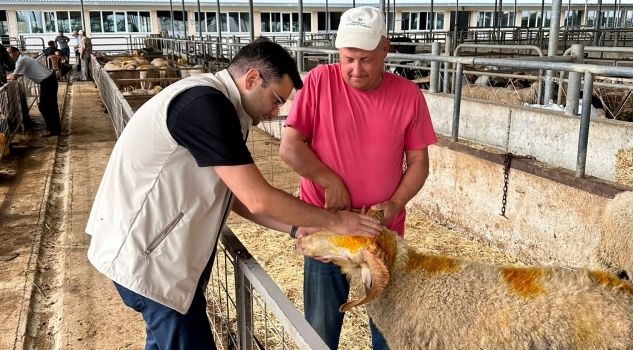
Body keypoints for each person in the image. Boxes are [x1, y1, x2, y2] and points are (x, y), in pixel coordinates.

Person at [85, 38, 381, 350]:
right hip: (151, 263)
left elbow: (235, 195)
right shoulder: (205, 105)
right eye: (277, 99)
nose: (275, 111)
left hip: (158, 258)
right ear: (253, 78)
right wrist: (337, 222)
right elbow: (258, 197)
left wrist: (297, 227)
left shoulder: (222, 107)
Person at [279, 7, 437, 350]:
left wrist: (394, 203)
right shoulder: (319, 81)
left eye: (366, 59)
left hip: (380, 230)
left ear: (385, 48)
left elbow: (420, 162)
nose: (355, 69)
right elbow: (289, 147)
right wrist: (328, 180)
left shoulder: (408, 95)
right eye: (348, 58)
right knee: (320, 325)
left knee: (387, 325)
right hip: (328, 227)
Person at [6, 46, 59, 135]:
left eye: (9, 53)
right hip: (47, 81)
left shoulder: (21, 61)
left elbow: (14, 76)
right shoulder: (22, 59)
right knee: (47, 106)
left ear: (16, 52)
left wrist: (3, 77)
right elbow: (16, 74)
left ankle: (54, 130)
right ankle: (53, 128)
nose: (8, 55)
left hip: (48, 82)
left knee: (46, 106)